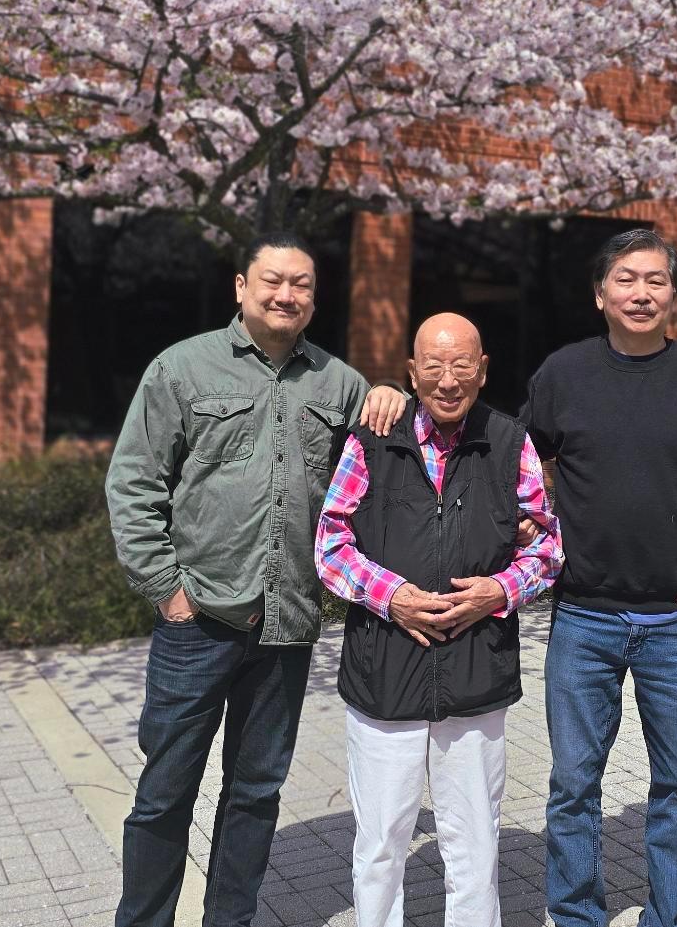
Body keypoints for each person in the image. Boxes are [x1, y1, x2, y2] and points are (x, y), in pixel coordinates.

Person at [107, 233, 403, 927]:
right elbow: (133, 484)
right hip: (198, 621)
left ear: (314, 299)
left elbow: (390, 473)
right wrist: (168, 590)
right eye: (272, 280)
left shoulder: (339, 384)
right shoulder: (182, 368)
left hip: (286, 626)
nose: (286, 294)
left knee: (255, 794)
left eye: (301, 284)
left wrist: (392, 391)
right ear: (241, 286)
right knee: (164, 794)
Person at [522, 228, 677, 927]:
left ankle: (667, 915)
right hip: (584, 617)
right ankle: (577, 915)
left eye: (655, 280)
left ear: (674, 294)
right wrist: (529, 527)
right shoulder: (563, 374)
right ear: (600, 294)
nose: (641, 292)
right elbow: (517, 465)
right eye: (626, 279)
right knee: (574, 786)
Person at [315, 313, 563, 927]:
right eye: (433, 365)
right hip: (383, 669)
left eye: (461, 365)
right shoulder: (372, 439)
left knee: (474, 839)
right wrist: (392, 595)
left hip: (476, 670)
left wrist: (498, 591)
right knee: (381, 842)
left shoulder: (510, 442)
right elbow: (330, 543)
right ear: (411, 372)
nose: (447, 380)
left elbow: (546, 547)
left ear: (483, 371)